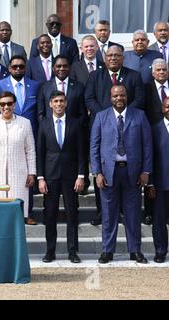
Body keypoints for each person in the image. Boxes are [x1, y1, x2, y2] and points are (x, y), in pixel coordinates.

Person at [90, 84, 152, 264]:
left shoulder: (139, 116)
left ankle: (135, 250)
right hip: (109, 173)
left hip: (133, 172)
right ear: (110, 97)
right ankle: (107, 251)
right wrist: (97, 172)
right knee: (109, 214)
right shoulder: (101, 117)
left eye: (122, 95)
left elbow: (147, 145)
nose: (119, 99)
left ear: (127, 96)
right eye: (115, 96)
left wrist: (146, 171)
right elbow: (94, 147)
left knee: (133, 213)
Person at [85, 46, 145, 225]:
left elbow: (139, 99)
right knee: (103, 169)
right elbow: (89, 98)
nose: (113, 58)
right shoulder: (96, 76)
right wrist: (107, 116)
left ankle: (124, 212)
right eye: (110, 55)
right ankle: (101, 211)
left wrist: (123, 114)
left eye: (117, 55)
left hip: (128, 127)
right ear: (104, 58)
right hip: (103, 128)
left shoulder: (133, 76)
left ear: (123, 58)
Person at [37, 91, 86, 263]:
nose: (58, 104)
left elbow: (81, 152)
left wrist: (81, 176)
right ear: (50, 104)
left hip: (71, 176)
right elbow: (40, 152)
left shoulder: (75, 123)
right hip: (50, 176)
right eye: (55, 101)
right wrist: (40, 178)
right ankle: (50, 251)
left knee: (72, 214)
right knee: (50, 214)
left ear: (66, 103)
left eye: (62, 101)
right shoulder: (44, 124)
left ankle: (72, 251)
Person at [0, 91, 36, 222]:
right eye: (3, 104)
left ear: (14, 105)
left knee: (17, 212)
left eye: (9, 103)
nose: (6, 107)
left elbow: (30, 150)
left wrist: (32, 173)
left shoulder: (25, 123)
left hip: (19, 175)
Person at [148, 97, 169, 263]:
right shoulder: (154, 130)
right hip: (161, 183)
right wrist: (151, 183)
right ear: (163, 108)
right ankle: (161, 251)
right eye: (167, 107)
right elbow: (150, 158)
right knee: (159, 220)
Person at [37, 55, 88, 124]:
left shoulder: (79, 87)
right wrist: (46, 129)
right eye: (58, 66)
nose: (62, 68)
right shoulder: (44, 87)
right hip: (50, 131)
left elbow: (83, 113)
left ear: (69, 68)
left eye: (65, 66)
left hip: (73, 131)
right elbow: (40, 113)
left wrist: (76, 128)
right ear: (53, 68)